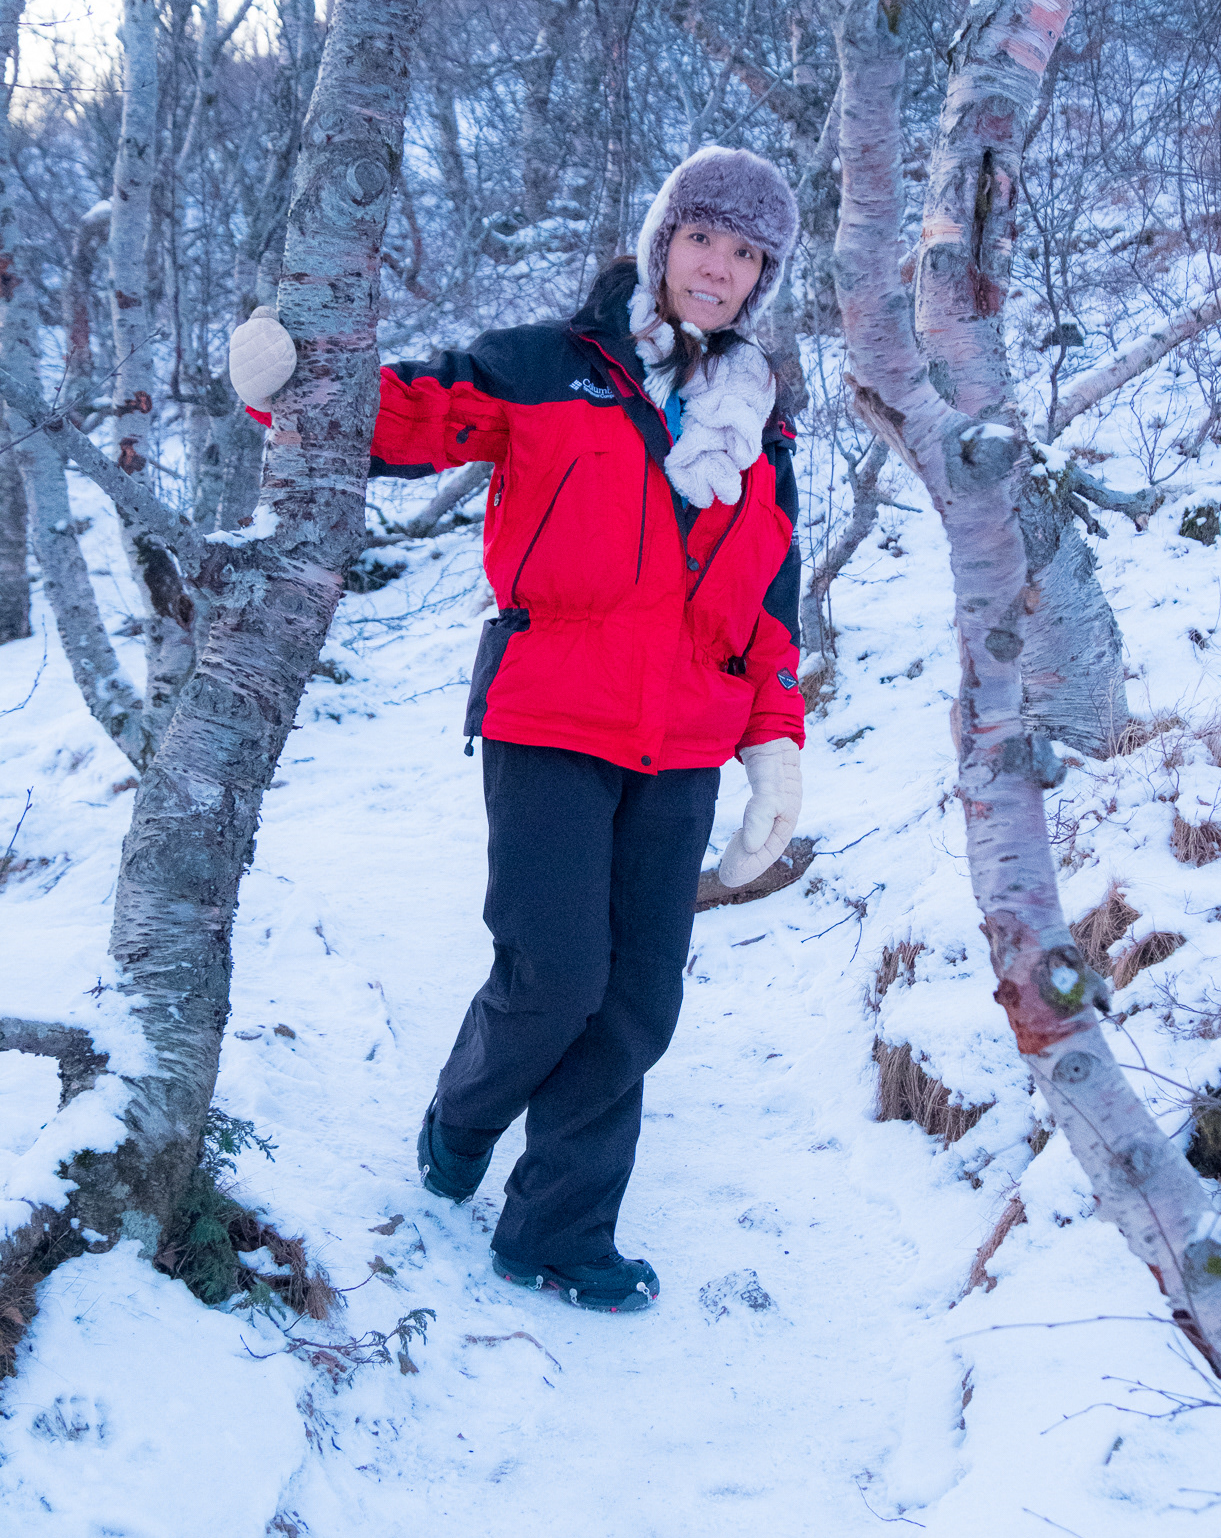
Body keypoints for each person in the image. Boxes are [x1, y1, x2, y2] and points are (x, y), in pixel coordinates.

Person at [229, 146, 805, 1314]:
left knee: (639, 997)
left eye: (749, 255)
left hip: (686, 738)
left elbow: (770, 601)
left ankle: (555, 1231)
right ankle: (462, 1118)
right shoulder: (552, 369)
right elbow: (403, 421)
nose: (722, 269)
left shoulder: (762, 429)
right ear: (661, 240)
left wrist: (774, 742)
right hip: (552, 711)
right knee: (554, 973)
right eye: (706, 239)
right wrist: (281, 381)